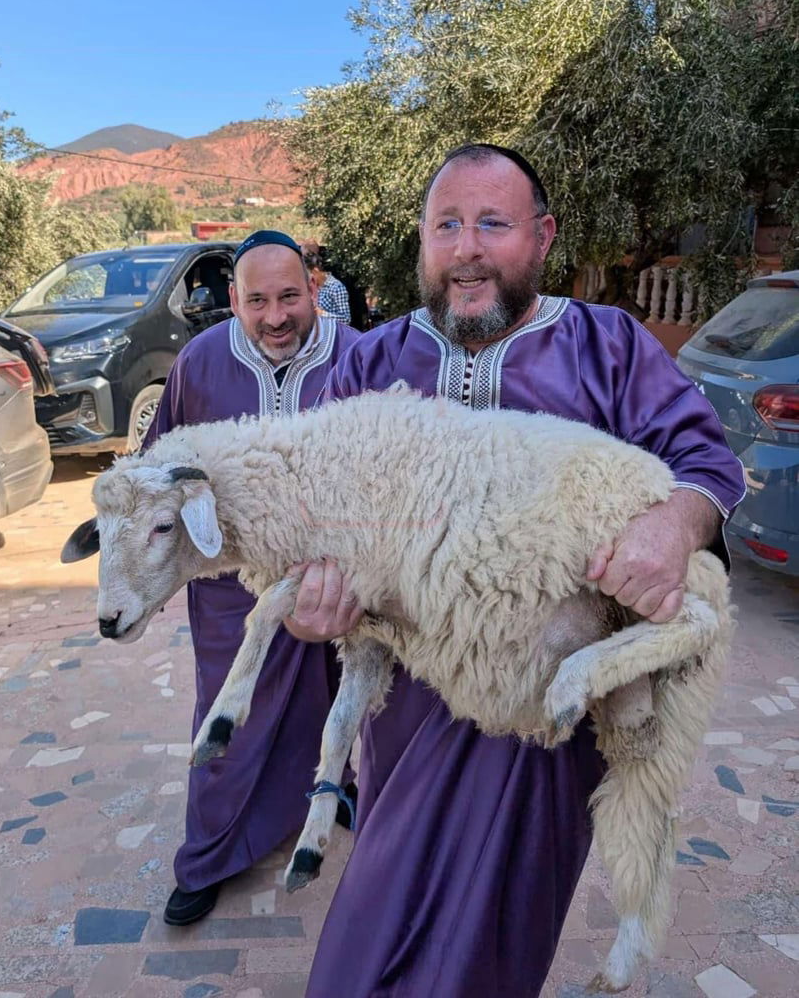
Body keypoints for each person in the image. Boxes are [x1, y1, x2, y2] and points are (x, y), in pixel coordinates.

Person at [285, 144, 746, 997]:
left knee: (486, 948)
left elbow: (705, 466)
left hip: (544, 715)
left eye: (491, 224)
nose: (465, 248)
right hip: (406, 705)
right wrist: (313, 596)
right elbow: (313, 504)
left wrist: (669, 529)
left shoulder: (607, 345)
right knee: (369, 928)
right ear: (421, 243)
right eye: (445, 225)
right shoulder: (365, 362)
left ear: (541, 237)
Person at [143, 229, 361, 926]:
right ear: (233, 300)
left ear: (314, 290)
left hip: (336, 576)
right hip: (229, 584)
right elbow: (161, 469)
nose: (275, 317)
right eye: (257, 300)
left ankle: (335, 789)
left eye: (290, 296)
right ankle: (207, 855)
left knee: (341, 692)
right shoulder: (200, 362)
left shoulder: (357, 356)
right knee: (228, 714)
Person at [301, 241, 352, 323]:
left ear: (315, 270)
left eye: (308, 275)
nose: (307, 279)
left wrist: (322, 313)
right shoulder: (311, 287)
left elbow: (346, 319)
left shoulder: (336, 287)